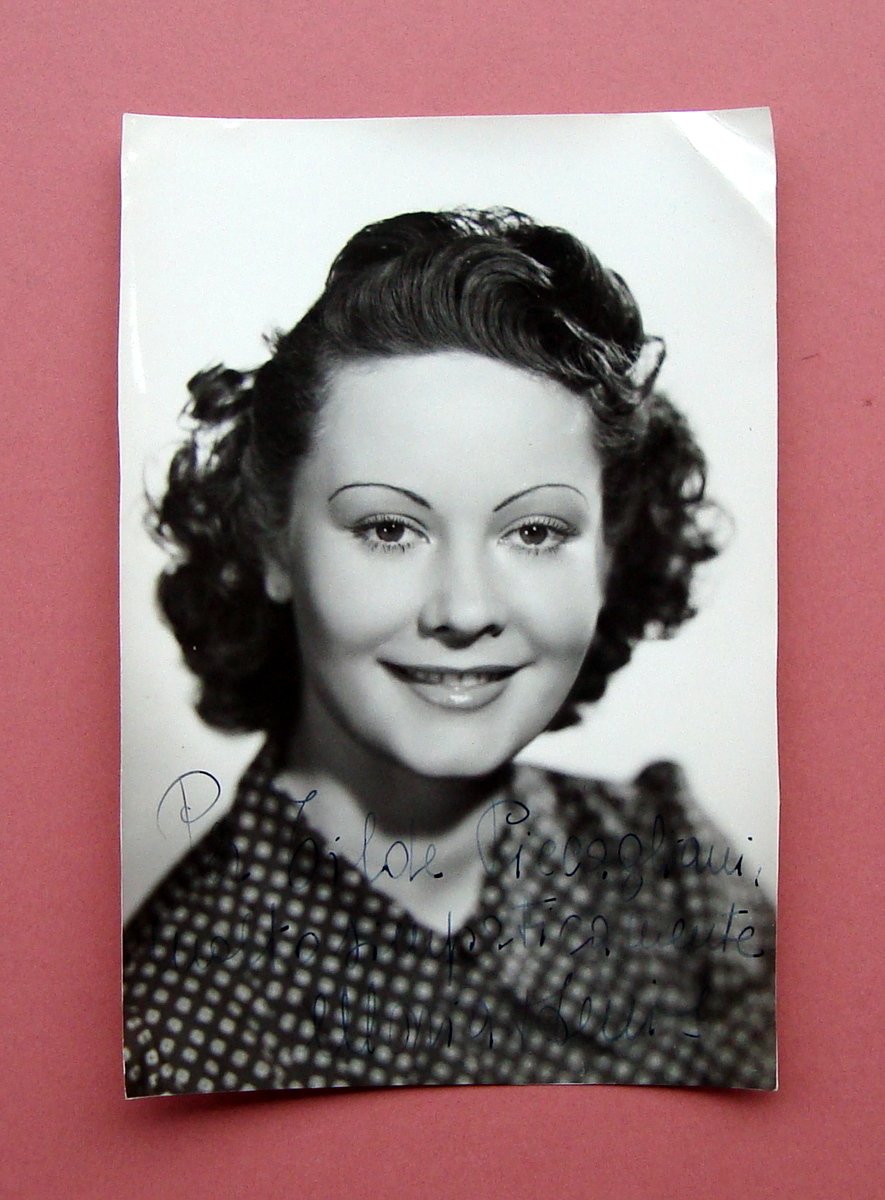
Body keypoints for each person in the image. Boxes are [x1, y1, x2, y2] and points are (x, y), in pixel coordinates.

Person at [123, 208, 775, 1096]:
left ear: (607, 553)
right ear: (274, 543)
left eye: (535, 531)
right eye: (389, 528)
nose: (464, 609)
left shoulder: (679, 877)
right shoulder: (167, 1025)